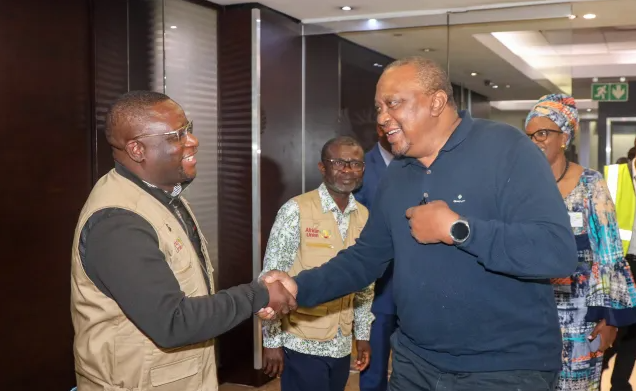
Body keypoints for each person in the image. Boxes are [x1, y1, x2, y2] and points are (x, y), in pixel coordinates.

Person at [259, 56, 579, 391]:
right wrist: (299, 286)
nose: (382, 118)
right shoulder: (398, 173)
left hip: (504, 369)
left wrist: (459, 230)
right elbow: (364, 259)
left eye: (393, 104)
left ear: (437, 101)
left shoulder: (508, 149)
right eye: (379, 107)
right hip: (415, 364)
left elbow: (556, 251)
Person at [70, 91, 296, 391]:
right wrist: (259, 295)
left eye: (188, 129)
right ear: (137, 149)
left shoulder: (163, 196)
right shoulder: (118, 223)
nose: (193, 141)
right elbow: (173, 322)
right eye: (178, 135)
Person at [525, 93, 636, 391]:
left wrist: (609, 318)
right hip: (528, 317)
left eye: (543, 133)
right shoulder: (520, 185)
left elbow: (609, 254)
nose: (535, 140)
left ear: (565, 136)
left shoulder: (591, 184)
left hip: (580, 322)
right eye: (530, 135)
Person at [260, 136, 374, 391]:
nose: (347, 170)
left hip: (341, 342)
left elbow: (366, 282)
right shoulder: (295, 210)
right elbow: (271, 280)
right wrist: (271, 341)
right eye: (338, 163)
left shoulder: (365, 217)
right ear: (323, 167)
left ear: (363, 170)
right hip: (301, 341)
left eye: (355, 164)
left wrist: (363, 335)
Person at [354, 125, 398, 391]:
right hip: (377, 289)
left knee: (411, 366)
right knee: (373, 366)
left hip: (412, 285)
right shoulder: (362, 168)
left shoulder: (417, 161)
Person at [602, 149, 636, 391]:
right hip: (619, 263)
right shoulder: (614, 177)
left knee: (634, 330)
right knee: (615, 325)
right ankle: (596, 371)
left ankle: (621, 384)